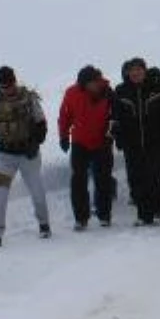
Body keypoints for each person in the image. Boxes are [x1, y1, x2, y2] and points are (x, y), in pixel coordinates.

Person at [0, 66, 50, 247]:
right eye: (3, 86)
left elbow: (41, 124)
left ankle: (44, 224)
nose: (7, 90)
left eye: (9, 85)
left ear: (14, 82)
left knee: (37, 192)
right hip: (5, 154)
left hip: (28, 155)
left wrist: (35, 142)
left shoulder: (29, 99)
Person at [112, 58, 160, 226]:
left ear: (144, 71)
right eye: (132, 70)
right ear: (128, 73)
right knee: (136, 178)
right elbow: (116, 118)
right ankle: (143, 213)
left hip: (154, 142)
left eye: (139, 70)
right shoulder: (121, 91)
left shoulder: (157, 89)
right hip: (132, 144)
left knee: (153, 177)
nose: (136, 73)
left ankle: (158, 209)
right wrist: (119, 138)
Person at [58, 66, 115, 231]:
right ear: (83, 83)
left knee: (103, 179)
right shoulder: (72, 93)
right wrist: (63, 136)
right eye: (90, 83)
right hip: (79, 143)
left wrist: (112, 133)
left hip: (102, 142)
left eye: (95, 81)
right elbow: (65, 116)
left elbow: (115, 115)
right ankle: (81, 218)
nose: (94, 85)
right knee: (78, 181)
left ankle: (104, 215)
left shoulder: (107, 92)